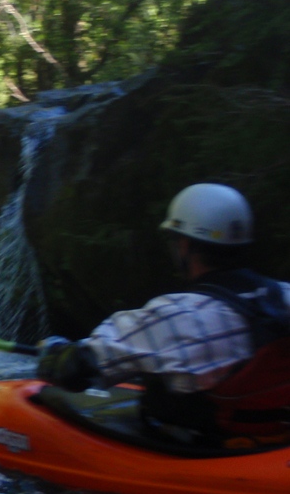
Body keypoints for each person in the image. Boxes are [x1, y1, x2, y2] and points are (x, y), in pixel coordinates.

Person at [37, 183, 290, 445]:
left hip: (206, 447)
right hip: (273, 442)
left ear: (184, 245)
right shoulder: (284, 295)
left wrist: (55, 353)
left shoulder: (177, 318)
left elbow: (74, 370)